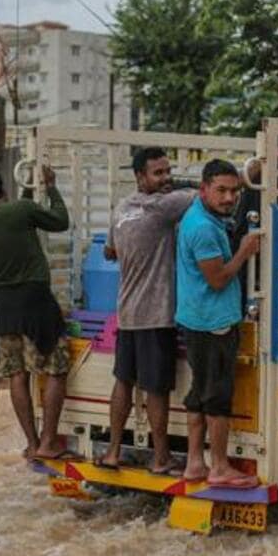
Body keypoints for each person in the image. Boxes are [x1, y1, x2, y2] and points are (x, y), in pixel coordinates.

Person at [97, 147, 196, 473]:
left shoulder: (121, 209)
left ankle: (112, 452)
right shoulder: (162, 207)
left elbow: (110, 252)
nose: (166, 178)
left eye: (168, 171)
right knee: (156, 388)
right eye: (159, 173)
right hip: (156, 315)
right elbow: (210, 191)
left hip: (126, 314)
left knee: (123, 381)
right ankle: (161, 457)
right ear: (141, 177)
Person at [0, 165, 76, 461]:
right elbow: (60, 221)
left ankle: (32, 443)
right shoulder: (22, 210)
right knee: (57, 367)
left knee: (17, 374)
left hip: (5, 306)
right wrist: (51, 187)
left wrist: (27, 193)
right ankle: (50, 441)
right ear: (2, 189)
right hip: (36, 299)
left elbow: (13, 220)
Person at [175, 159, 261, 488]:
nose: (229, 198)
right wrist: (244, 251)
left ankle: (196, 463)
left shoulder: (202, 214)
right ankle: (220, 467)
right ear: (204, 189)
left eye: (234, 191)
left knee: (199, 392)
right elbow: (218, 279)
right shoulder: (203, 229)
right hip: (213, 322)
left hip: (197, 317)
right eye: (221, 191)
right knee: (217, 396)